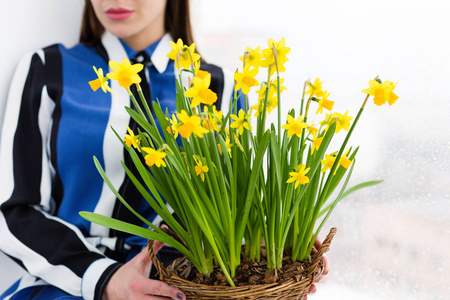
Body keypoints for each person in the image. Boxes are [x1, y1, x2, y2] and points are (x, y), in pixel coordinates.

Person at [0, 1, 328, 299]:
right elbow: (13, 209)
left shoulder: (220, 87)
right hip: (67, 287)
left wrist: (279, 239)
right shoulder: (48, 68)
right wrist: (105, 279)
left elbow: (234, 211)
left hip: (188, 287)